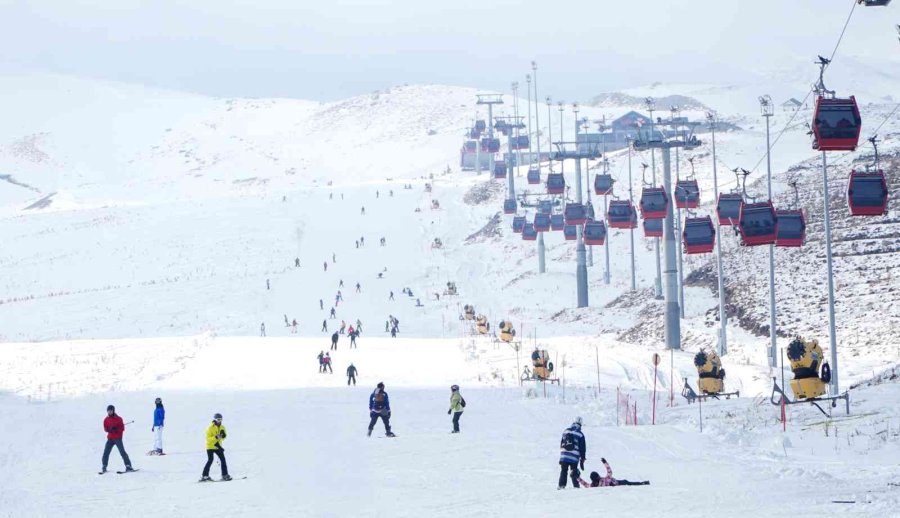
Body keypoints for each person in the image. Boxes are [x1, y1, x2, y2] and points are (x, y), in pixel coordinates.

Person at [101, 405, 134, 473]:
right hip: (110, 439)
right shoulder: (106, 419)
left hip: (118, 438)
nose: (109, 412)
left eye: (111, 411)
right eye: (108, 411)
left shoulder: (119, 419)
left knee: (122, 452)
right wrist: (109, 429)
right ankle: (104, 466)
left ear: (113, 411)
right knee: (106, 452)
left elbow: (122, 428)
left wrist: (116, 429)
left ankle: (128, 466)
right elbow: (105, 428)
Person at [200, 413, 231, 482]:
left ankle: (225, 475)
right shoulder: (210, 427)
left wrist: (223, 436)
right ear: (214, 419)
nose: (219, 421)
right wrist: (216, 437)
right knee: (210, 460)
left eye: (221, 419)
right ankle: (204, 476)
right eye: (218, 419)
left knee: (223, 459)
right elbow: (208, 439)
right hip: (210, 446)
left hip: (217, 446)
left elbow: (223, 437)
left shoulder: (222, 427)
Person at [578, 458, 649, 487]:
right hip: (618, 482)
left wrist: (577, 478)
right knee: (628, 482)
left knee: (628, 482)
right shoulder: (604, 480)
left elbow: (585, 484)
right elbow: (609, 472)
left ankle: (643, 483)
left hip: (616, 482)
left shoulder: (593, 486)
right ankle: (643, 483)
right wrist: (605, 463)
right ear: (597, 477)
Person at [558, 416, 586, 490]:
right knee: (574, 470)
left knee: (564, 470)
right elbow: (582, 448)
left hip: (564, 455)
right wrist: (582, 459)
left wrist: (562, 455)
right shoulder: (580, 434)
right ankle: (576, 486)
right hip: (574, 456)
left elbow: (561, 443)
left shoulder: (566, 431)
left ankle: (561, 485)